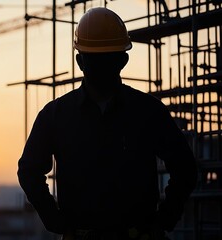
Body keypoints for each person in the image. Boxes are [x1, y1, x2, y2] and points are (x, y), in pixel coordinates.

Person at [17, 7, 197, 240]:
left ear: (79, 61)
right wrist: (55, 221)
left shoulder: (58, 115)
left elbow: (184, 168)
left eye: (105, 59)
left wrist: (164, 219)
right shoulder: (147, 111)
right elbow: (28, 171)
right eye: (96, 59)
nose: (101, 66)